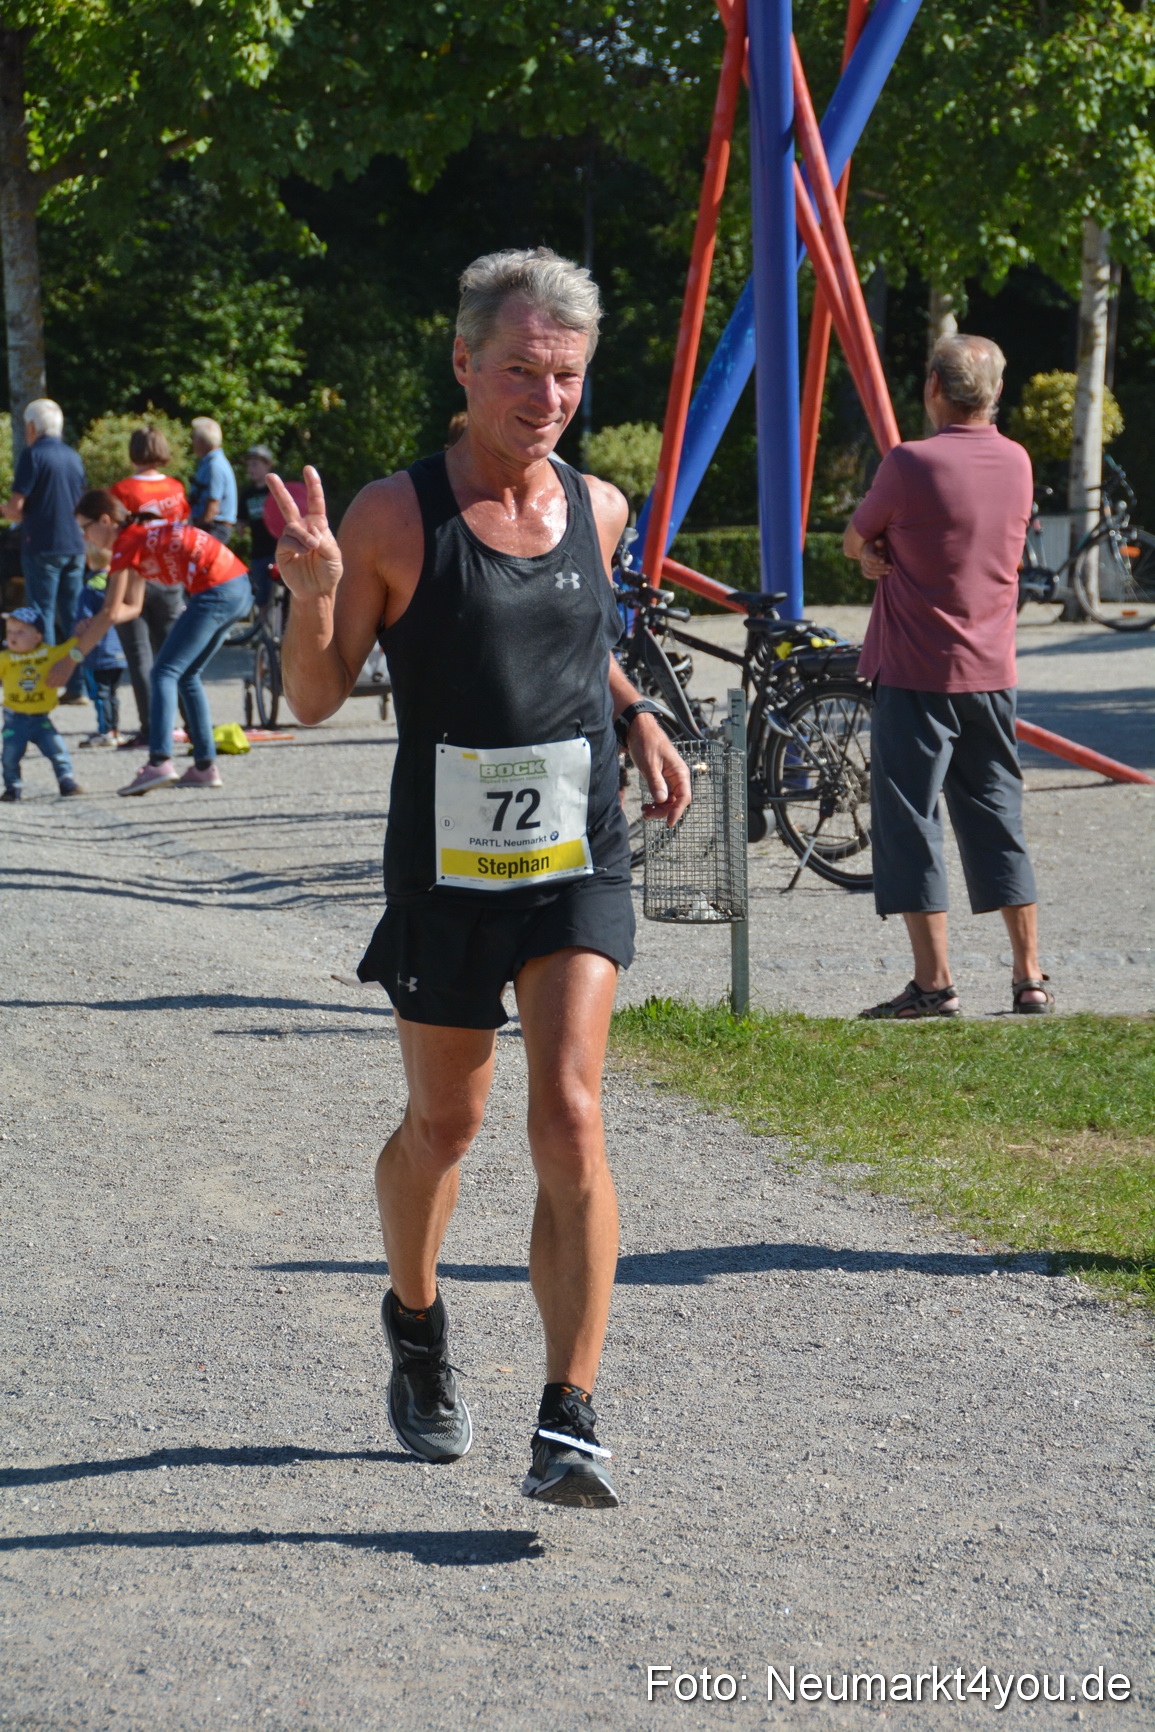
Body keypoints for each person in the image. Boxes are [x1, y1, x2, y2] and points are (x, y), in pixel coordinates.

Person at [273, 247, 690, 1509]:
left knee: (570, 1113)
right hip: (449, 870)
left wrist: (634, 712)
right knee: (445, 1127)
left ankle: (570, 1414)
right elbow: (312, 696)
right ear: (464, 367)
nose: (546, 396)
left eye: (565, 374)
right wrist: (315, 595)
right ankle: (415, 1317)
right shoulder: (397, 515)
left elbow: (576, 639)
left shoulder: (602, 509)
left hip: (575, 853)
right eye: (520, 371)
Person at [843, 333, 1051, 1019]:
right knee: (997, 814)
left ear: (933, 387)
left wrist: (872, 552)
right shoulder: (1017, 462)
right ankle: (1029, 977)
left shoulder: (908, 464)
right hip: (991, 671)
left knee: (909, 821)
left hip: (913, 672)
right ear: (994, 394)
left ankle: (933, 985)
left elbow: (857, 536)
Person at [73, 490, 252, 794]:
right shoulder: (138, 536)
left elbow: (108, 610)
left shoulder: (126, 543)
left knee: (163, 673)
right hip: (238, 586)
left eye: (85, 528)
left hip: (217, 589)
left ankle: (159, 762)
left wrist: (71, 659)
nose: (85, 537)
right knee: (186, 675)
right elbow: (131, 608)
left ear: (105, 521)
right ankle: (205, 767)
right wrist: (98, 623)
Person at [2, 399, 87, 702]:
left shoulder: (33, 455)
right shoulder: (74, 457)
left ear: (31, 427)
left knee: (42, 617)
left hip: (42, 545)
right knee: (74, 617)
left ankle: (47, 685)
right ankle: (78, 686)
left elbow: (16, 509)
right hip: (75, 545)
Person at [110, 427, 190, 745]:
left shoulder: (121, 490)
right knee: (174, 654)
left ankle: (152, 728)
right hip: (169, 576)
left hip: (133, 577)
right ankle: (192, 724)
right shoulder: (176, 487)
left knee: (139, 655)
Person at [1, 604, 84, 798]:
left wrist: (80, 636)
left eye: (21, 632)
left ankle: (66, 780)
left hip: (41, 719)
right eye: (10, 631)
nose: (13, 636)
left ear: (37, 637)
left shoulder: (48, 653)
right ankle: (12, 787)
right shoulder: (5, 658)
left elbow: (69, 648)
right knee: (9, 756)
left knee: (56, 749)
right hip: (15, 719)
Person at [75, 564, 128, 746]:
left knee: (100, 694)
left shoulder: (91, 588)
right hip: (119, 650)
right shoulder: (118, 582)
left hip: (98, 652)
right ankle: (115, 730)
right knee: (112, 694)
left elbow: (85, 621)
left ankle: (105, 731)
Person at [236, 444, 278, 609]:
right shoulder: (247, 494)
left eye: (255, 464)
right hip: (258, 552)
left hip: (278, 551)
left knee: (280, 596)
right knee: (261, 597)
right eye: (248, 465)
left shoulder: (276, 490)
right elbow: (242, 521)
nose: (250, 469)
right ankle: (263, 632)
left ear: (268, 464)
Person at [188, 418, 237, 543]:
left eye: (194, 437)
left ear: (202, 440)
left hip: (214, 528)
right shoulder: (207, 463)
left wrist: (199, 529)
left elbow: (213, 505)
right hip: (212, 526)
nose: (192, 442)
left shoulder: (214, 465)